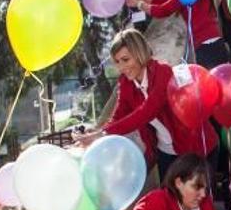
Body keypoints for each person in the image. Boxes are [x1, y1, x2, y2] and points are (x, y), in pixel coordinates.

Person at [76, 29, 218, 181]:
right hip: (165, 152)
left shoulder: (163, 73)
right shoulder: (125, 83)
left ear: (139, 54)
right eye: (117, 62)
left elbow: (147, 112)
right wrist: (98, 132)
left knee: (196, 199)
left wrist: (102, 134)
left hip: (195, 148)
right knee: (170, 202)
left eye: (125, 59)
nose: (121, 67)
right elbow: (118, 116)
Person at [128, 0, 229, 69]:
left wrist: (138, 4)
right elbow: (164, 1)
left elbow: (163, 10)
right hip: (215, 43)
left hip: (206, 47)